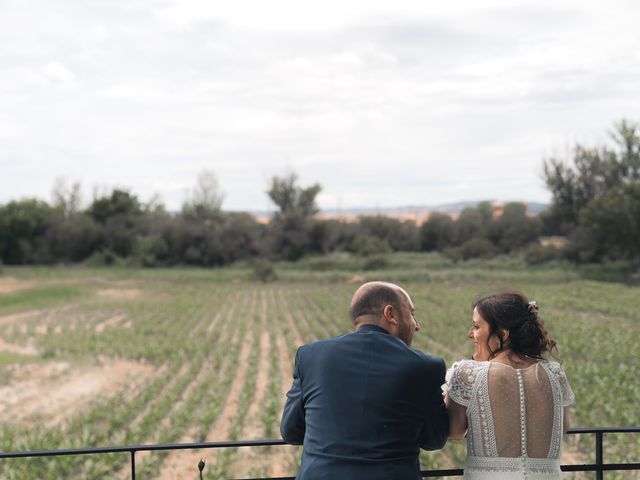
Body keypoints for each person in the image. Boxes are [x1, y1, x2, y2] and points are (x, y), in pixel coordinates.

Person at [280, 281, 449, 480]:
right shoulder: (425, 366)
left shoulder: (310, 356)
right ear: (391, 314)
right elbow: (435, 439)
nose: (416, 325)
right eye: (412, 314)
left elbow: (291, 431)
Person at [445, 291, 575, 480]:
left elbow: (455, 431)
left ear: (503, 334)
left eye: (476, 326)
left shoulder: (468, 372)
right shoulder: (555, 373)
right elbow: (562, 427)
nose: (470, 334)